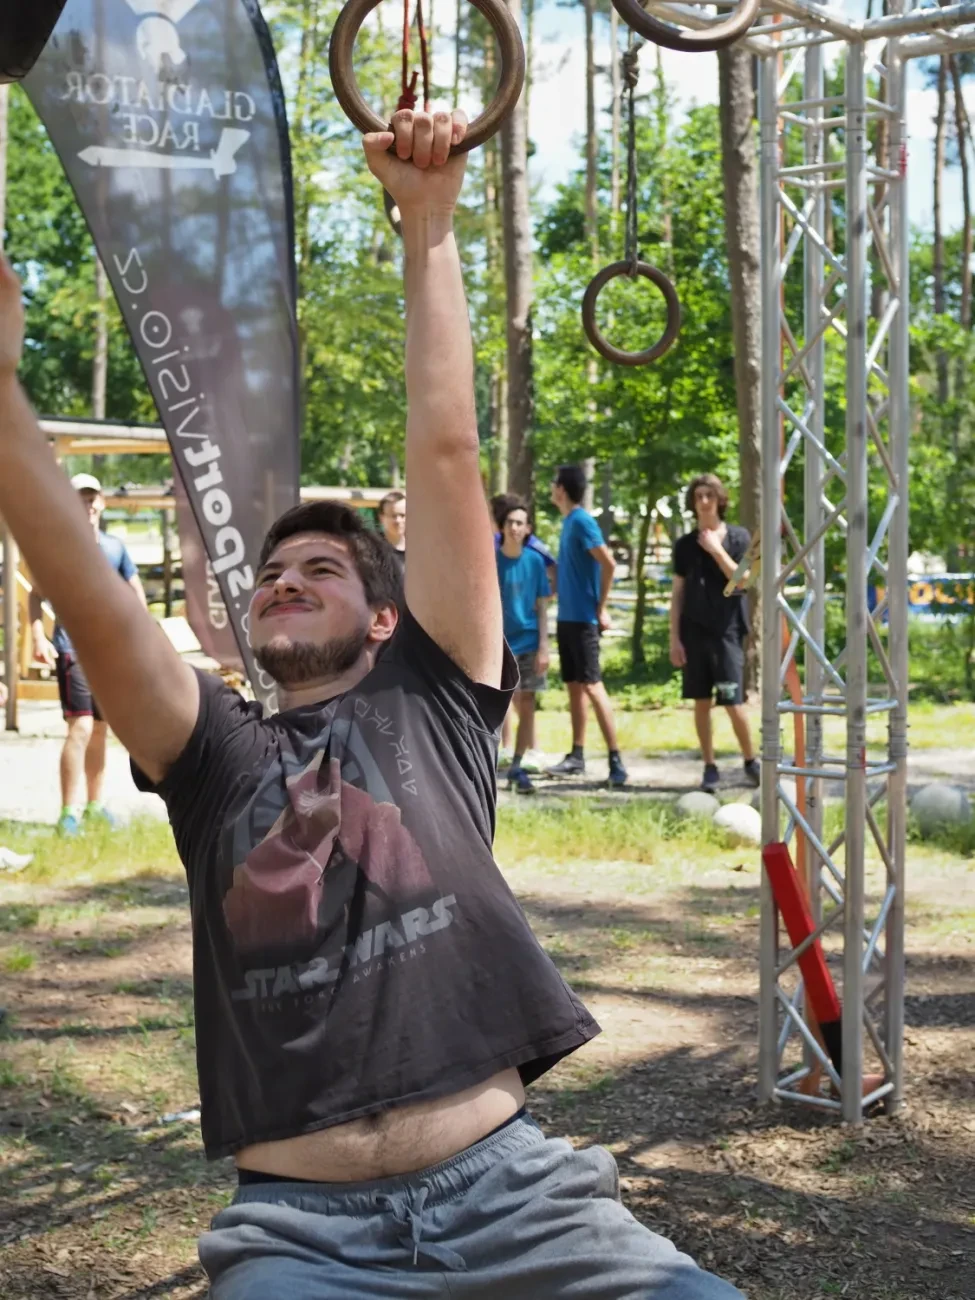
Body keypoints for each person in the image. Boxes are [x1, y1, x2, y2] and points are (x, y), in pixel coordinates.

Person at [0, 109, 742, 1299]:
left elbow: (448, 451)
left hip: (524, 1203)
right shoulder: (215, 757)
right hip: (297, 1238)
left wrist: (429, 224)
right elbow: (88, 592)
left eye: (324, 568)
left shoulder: (438, 696)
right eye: (271, 574)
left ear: (387, 617)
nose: (285, 579)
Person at [29, 473, 147, 835]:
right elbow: (35, 595)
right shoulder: (59, 546)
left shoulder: (115, 547)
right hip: (72, 650)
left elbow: (136, 594)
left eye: (92, 498)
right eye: (80, 498)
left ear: (102, 503)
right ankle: (69, 813)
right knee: (79, 728)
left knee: (99, 729)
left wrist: (142, 637)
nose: (88, 505)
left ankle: (95, 806)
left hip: (109, 653)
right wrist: (38, 637)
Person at [670, 473, 759, 794]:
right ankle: (709, 766)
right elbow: (677, 594)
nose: (704, 501)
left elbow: (743, 581)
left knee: (733, 702)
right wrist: (674, 638)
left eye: (709, 495)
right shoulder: (684, 545)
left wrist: (716, 550)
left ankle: (751, 761)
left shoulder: (739, 537)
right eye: (698, 496)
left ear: (720, 500)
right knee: (701, 702)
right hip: (693, 633)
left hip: (728, 632)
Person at [548, 464, 627, 789]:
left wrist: (601, 606)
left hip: (584, 621)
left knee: (593, 687)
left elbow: (608, 562)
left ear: (562, 489)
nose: (551, 488)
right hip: (566, 619)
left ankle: (616, 761)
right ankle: (577, 756)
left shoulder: (582, 520)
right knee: (574, 688)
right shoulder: (569, 522)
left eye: (554, 483)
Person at [491, 491, 555, 772]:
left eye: (520, 523)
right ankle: (496, 755)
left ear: (528, 528)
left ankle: (518, 762)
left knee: (527, 702)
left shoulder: (535, 561)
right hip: (500, 645)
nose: (515, 527)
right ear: (502, 527)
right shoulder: (491, 561)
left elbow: (542, 607)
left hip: (529, 642)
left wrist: (544, 647)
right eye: (510, 522)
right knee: (498, 702)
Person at [376, 489, 406, 570]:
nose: (398, 520)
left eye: (402, 515)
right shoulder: (371, 549)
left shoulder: (420, 550)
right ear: (381, 518)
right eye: (393, 516)